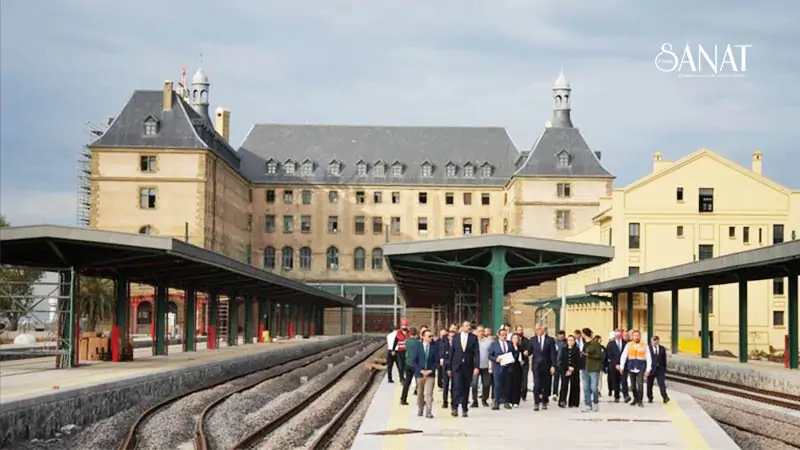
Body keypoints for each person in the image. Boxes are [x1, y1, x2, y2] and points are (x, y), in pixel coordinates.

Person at [448, 321, 480, 417]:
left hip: (468, 366)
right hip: (457, 366)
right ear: (462, 327)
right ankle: (454, 407)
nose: (468, 327)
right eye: (466, 326)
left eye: (469, 326)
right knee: (457, 387)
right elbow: (452, 352)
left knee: (466, 388)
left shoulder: (473, 338)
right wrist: (449, 367)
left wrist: (476, 367)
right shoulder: (456, 337)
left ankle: (464, 409)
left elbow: (476, 353)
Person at [527, 323, 556, 411]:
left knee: (546, 384)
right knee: (537, 384)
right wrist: (525, 353)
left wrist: (553, 365)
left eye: (539, 329)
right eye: (536, 329)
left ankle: (544, 401)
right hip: (536, 365)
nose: (537, 331)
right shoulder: (533, 339)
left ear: (543, 329)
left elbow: (553, 353)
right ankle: (536, 402)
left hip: (546, 365)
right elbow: (529, 351)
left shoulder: (550, 340)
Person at [620, 329, 652, 407]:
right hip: (631, 367)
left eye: (638, 335)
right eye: (635, 335)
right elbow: (624, 355)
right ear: (632, 337)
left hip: (640, 367)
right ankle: (635, 398)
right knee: (633, 386)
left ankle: (640, 401)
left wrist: (648, 369)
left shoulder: (644, 345)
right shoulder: (628, 345)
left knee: (640, 384)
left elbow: (648, 357)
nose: (636, 337)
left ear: (640, 336)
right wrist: (622, 366)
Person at [413, 329, 439, 418]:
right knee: (420, 393)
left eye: (432, 336)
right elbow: (414, 361)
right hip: (419, 374)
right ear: (423, 337)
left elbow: (437, 361)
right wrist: (420, 370)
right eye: (429, 336)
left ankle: (428, 411)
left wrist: (430, 370)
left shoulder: (434, 348)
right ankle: (420, 408)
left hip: (430, 374)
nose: (431, 338)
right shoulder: (418, 347)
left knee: (429, 393)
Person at [581, 328, 603, 412]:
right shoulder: (583, 343)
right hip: (584, 367)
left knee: (594, 387)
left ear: (584, 334)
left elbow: (599, 355)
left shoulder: (595, 343)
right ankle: (588, 404)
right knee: (586, 387)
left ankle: (595, 402)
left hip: (593, 368)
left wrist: (588, 355)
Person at [488, 327, 511, 410]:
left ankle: (506, 401)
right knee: (497, 385)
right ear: (499, 335)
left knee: (507, 385)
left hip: (508, 367)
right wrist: (496, 359)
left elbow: (514, 353)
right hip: (498, 368)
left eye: (505, 335)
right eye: (502, 335)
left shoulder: (509, 343)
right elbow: (490, 355)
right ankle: (496, 402)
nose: (504, 337)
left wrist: (512, 359)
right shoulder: (494, 344)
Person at [606, 329, 630, 403]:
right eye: (616, 335)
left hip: (624, 366)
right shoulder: (610, 344)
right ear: (614, 335)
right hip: (614, 366)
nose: (618, 336)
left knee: (624, 381)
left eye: (619, 335)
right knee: (616, 381)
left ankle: (626, 395)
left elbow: (627, 355)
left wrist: (622, 364)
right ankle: (616, 396)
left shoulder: (626, 343)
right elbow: (609, 356)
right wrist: (616, 365)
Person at [557, 334, 581, 408]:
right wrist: (567, 368)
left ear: (574, 341)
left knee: (574, 385)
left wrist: (573, 368)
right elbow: (562, 360)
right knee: (564, 385)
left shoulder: (577, 350)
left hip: (574, 369)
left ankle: (573, 402)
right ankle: (562, 401)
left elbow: (578, 361)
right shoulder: (564, 349)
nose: (570, 342)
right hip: (565, 369)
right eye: (569, 340)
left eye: (572, 340)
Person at [472, 325, 492, 407]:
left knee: (486, 384)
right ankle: (474, 400)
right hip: (475, 367)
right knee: (474, 384)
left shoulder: (488, 341)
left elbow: (491, 353)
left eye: (482, 331)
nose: (481, 333)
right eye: (479, 331)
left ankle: (484, 399)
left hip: (485, 366)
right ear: (476, 332)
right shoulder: (473, 341)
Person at [647, 336, 670, 404]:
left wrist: (664, 369)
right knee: (649, 384)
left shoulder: (662, 349)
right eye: (653, 340)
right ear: (651, 341)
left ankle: (665, 397)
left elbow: (664, 360)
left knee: (662, 384)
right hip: (651, 369)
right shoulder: (648, 348)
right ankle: (650, 397)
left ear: (658, 341)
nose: (655, 342)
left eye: (656, 340)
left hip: (660, 369)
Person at [400, 327, 420, 405]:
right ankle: (420, 400)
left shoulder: (406, 342)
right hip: (416, 365)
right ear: (416, 334)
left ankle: (403, 399)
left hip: (408, 364)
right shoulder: (418, 343)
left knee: (407, 383)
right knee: (419, 383)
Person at [439, 326, 456, 408]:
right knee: (445, 384)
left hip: (454, 367)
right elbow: (443, 356)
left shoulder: (456, 345)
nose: (451, 338)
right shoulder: (444, 344)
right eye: (450, 336)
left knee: (454, 385)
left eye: (453, 336)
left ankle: (454, 400)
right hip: (446, 367)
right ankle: (445, 401)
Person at [507, 333, 525, 408]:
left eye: (516, 338)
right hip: (511, 367)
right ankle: (510, 400)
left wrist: (523, 361)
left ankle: (516, 401)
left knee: (517, 384)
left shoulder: (520, 347)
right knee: (510, 384)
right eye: (513, 338)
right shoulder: (509, 347)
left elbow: (523, 357)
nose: (515, 340)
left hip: (518, 367)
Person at [515, 325, 530, 402]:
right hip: (516, 362)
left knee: (524, 379)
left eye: (521, 330)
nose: (520, 331)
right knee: (517, 379)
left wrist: (528, 352)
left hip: (525, 362)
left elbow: (529, 349)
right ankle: (517, 393)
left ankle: (523, 395)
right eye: (518, 330)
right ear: (516, 330)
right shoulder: (514, 340)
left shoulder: (526, 340)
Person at [552, 330, 566, 401]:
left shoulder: (566, 343)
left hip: (563, 364)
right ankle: (555, 393)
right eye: (559, 337)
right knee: (555, 380)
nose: (561, 338)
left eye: (562, 337)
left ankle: (562, 394)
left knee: (563, 381)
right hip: (556, 364)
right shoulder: (555, 342)